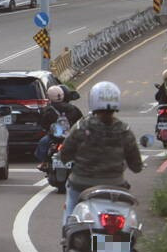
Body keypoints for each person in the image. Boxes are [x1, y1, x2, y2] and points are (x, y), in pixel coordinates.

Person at [60, 81, 143, 225]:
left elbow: (64, 155)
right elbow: (136, 166)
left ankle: (67, 232)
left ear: (93, 101)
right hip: (115, 185)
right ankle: (122, 243)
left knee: (71, 210)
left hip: (81, 184)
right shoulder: (124, 131)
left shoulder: (81, 127)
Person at [35, 85, 83, 171]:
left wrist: (48, 129)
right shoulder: (73, 108)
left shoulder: (48, 110)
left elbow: (43, 124)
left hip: (54, 137)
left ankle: (44, 163)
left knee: (42, 143)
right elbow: (80, 120)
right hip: (71, 136)